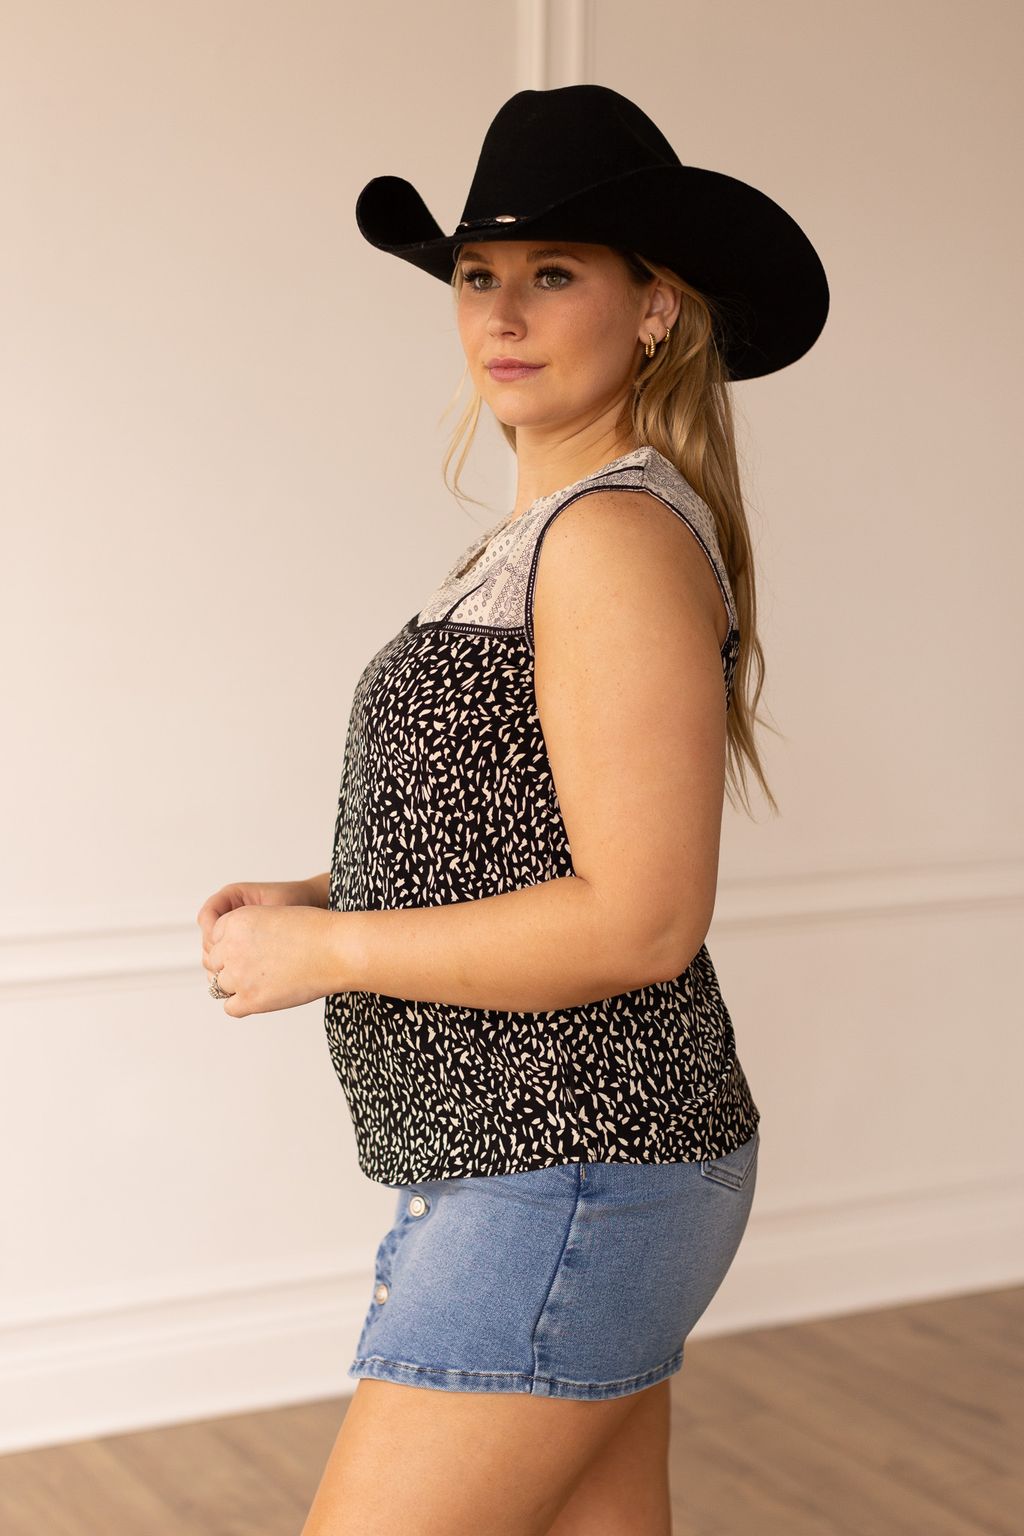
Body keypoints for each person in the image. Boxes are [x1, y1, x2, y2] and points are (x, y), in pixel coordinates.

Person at [197, 84, 829, 1536]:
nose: (503, 311)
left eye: (553, 273)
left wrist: (329, 954)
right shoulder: (549, 533)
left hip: (572, 1169)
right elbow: (523, 835)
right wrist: (325, 895)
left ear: (654, 308)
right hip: (557, 1165)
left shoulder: (609, 537)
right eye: (478, 275)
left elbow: (643, 919)